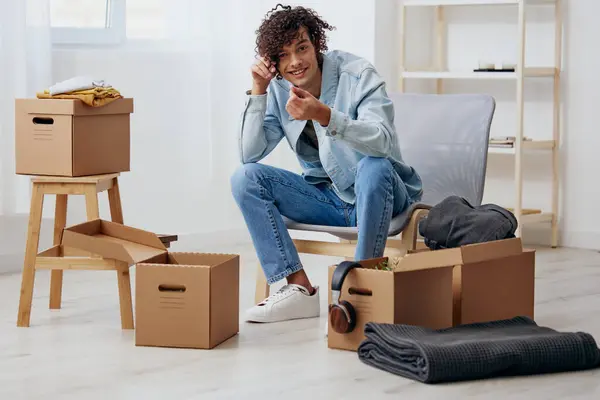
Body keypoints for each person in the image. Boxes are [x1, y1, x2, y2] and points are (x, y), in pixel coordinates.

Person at [230, 4, 423, 323]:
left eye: (302, 48)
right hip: (328, 199)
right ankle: (298, 287)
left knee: (373, 166)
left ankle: (362, 286)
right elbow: (249, 154)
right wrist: (259, 91)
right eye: (284, 54)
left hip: (382, 195)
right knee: (245, 178)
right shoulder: (279, 89)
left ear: (317, 44)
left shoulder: (358, 74)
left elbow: (382, 141)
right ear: (274, 62)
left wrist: (325, 116)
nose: (295, 62)